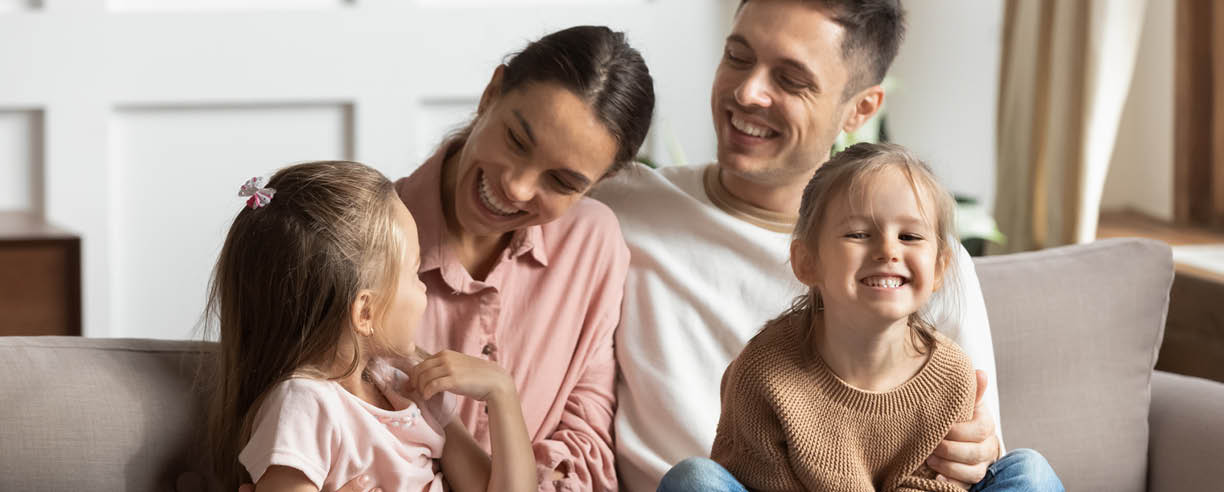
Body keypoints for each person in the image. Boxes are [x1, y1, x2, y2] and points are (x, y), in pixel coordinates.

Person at [589, 1, 1004, 490]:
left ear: (860, 108)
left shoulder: (921, 259)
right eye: (738, 58)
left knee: (1025, 469)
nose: (746, 92)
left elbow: (977, 447)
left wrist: (978, 450)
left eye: (790, 79)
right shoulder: (618, 209)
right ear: (804, 262)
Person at [656, 143, 1063, 491]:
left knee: (1029, 471)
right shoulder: (764, 372)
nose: (888, 251)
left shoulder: (949, 374)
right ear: (806, 262)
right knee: (693, 479)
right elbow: (749, 477)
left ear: (939, 267)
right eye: (858, 234)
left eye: (910, 236)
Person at [396, 25, 655, 491]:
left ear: (600, 182)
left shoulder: (591, 245)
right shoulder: (358, 241)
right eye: (516, 140)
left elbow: (586, 446)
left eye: (562, 182)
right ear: (491, 93)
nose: (516, 187)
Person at [203, 161, 536, 492]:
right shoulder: (305, 405)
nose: (423, 288)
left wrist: (501, 390)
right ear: (365, 311)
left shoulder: (411, 386)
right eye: (414, 273)